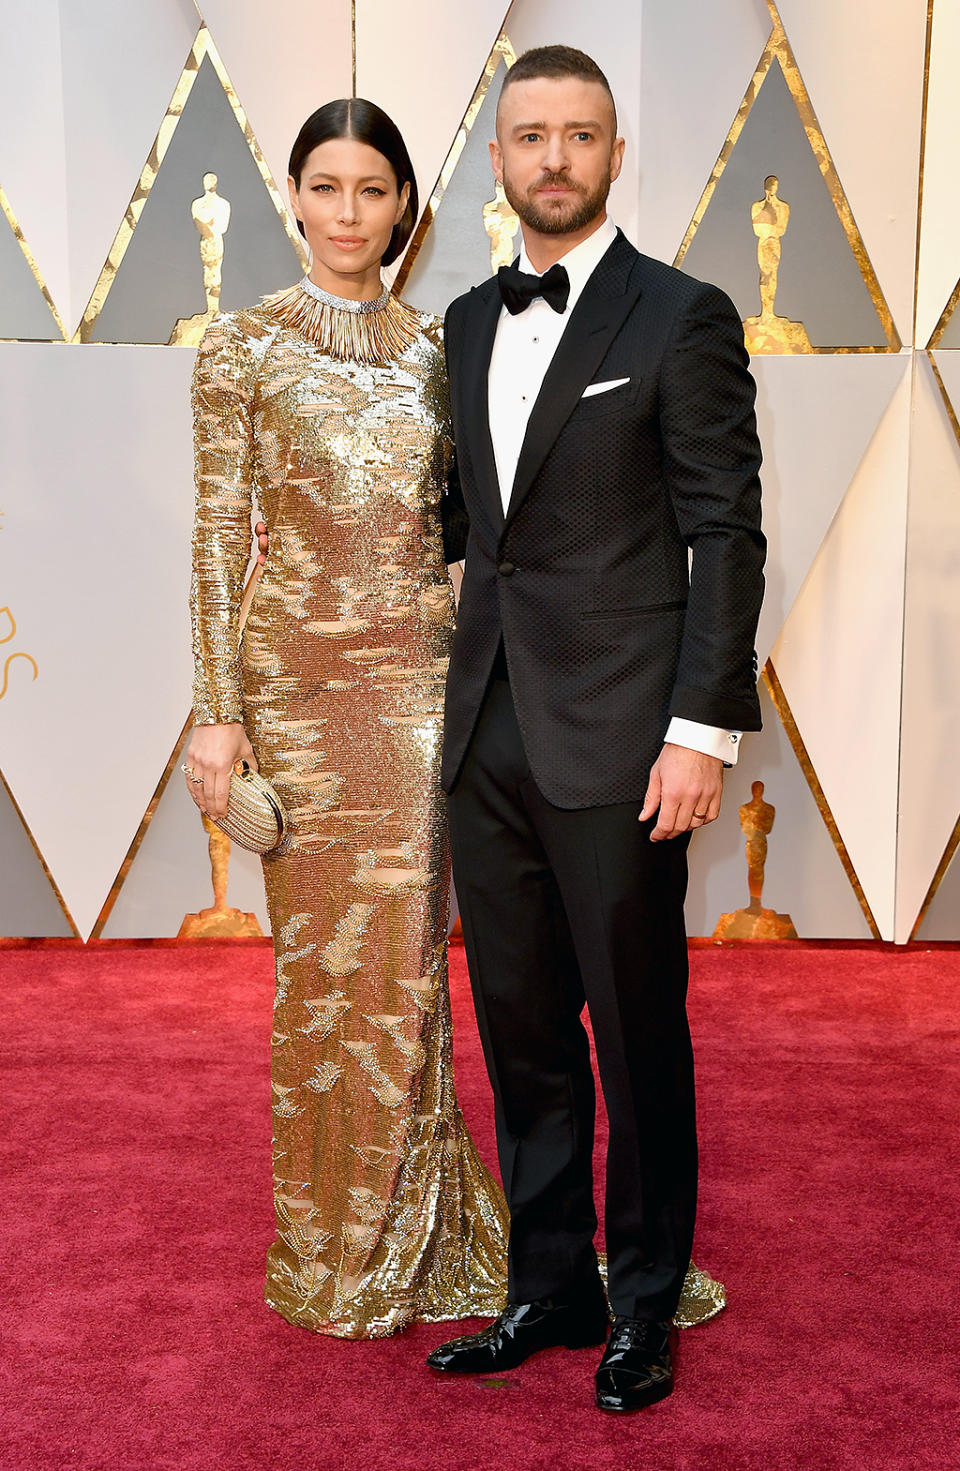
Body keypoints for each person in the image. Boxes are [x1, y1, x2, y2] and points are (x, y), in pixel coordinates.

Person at [425, 46, 765, 1412]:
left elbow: (725, 534)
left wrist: (699, 728)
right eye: (528, 136)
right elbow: (477, 525)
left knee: (636, 1028)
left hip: (628, 737)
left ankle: (643, 1306)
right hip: (489, 730)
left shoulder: (681, 314)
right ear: (496, 160)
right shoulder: (460, 318)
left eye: (579, 135)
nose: (552, 158)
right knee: (521, 1029)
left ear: (617, 156)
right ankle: (548, 1285)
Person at [183, 98, 510, 1338]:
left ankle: (414, 1233)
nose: (347, 214)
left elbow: (468, 528)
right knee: (320, 977)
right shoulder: (243, 346)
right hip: (299, 692)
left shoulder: (441, 347)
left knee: (410, 971)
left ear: (404, 208)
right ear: (295, 197)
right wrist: (218, 712)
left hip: (420, 690)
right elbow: (220, 534)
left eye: (372, 190)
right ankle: (332, 1240)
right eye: (325, 187)